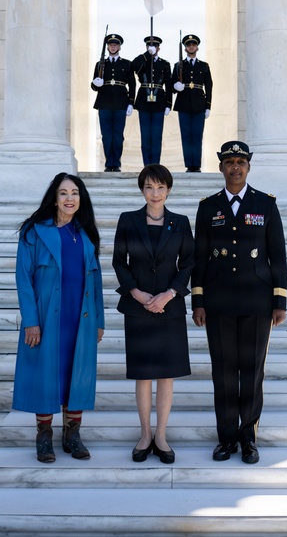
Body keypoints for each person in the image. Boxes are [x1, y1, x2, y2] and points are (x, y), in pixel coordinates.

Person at [190, 141, 287, 465]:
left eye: (240, 162)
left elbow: (278, 255)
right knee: (224, 373)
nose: (235, 167)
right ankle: (226, 438)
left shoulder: (266, 204)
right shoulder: (208, 207)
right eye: (229, 162)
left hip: (258, 303)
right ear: (221, 167)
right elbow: (199, 257)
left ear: (248, 167)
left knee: (252, 372)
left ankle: (248, 438)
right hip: (218, 303)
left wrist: (279, 300)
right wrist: (198, 300)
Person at [13, 173, 105, 463]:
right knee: (45, 374)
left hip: (80, 317)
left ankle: (72, 435)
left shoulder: (86, 234)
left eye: (75, 193)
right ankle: (43, 437)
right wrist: (30, 320)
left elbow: (96, 280)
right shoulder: (34, 232)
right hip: (46, 316)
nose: (69, 199)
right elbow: (23, 278)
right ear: (54, 198)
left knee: (74, 374)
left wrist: (99, 320)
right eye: (63, 193)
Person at [112, 164, 195, 464]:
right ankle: (145, 434)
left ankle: (161, 435)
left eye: (160, 187)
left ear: (169, 189)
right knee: (144, 375)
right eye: (149, 187)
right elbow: (119, 261)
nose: (155, 193)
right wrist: (135, 291)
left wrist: (170, 294)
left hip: (169, 308)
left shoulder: (181, 223)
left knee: (167, 376)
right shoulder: (128, 220)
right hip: (138, 308)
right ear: (142, 190)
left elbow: (188, 264)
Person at [91, 34, 136, 172]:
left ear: (119, 47)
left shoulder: (126, 64)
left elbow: (132, 85)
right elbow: (94, 87)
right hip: (104, 103)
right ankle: (108, 163)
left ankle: (115, 163)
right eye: (110, 45)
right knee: (106, 136)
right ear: (107, 47)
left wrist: (130, 103)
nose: (113, 46)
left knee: (117, 136)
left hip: (120, 103)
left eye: (115, 44)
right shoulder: (100, 64)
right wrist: (95, 83)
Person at [171, 34, 213, 172]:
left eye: (193, 45)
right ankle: (189, 164)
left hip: (199, 104)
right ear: (185, 48)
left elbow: (209, 86)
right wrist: (176, 86)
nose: (191, 47)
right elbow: (171, 85)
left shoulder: (204, 66)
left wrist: (208, 106)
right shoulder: (178, 66)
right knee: (186, 136)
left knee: (197, 135)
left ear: (197, 47)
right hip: (183, 104)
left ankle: (197, 165)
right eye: (188, 45)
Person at [131, 35, 172, 166]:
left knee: (156, 137)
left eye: (154, 46)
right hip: (144, 101)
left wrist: (168, 104)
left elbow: (169, 85)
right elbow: (132, 66)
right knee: (145, 137)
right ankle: (146, 165)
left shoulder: (165, 64)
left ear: (159, 48)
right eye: (149, 46)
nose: (152, 48)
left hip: (159, 101)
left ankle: (155, 165)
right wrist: (147, 54)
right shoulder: (143, 61)